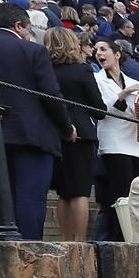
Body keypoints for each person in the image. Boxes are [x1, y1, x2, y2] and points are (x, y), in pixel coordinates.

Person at [0, 3, 72, 240]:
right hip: (32, 136)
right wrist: (66, 126)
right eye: (28, 29)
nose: (29, 34)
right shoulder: (32, 51)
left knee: (4, 199)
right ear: (18, 25)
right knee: (30, 199)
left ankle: (8, 250)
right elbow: (51, 95)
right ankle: (29, 255)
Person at [45, 27, 105, 242]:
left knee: (63, 192)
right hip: (81, 135)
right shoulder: (82, 70)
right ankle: (79, 241)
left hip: (54, 133)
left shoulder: (45, 70)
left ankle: (64, 238)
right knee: (79, 191)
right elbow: (98, 108)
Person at [91, 37, 139, 240]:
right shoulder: (96, 79)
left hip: (137, 145)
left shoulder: (134, 82)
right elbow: (101, 110)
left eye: (103, 49)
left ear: (117, 54)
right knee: (118, 199)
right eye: (96, 50)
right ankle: (116, 240)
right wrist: (124, 94)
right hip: (113, 145)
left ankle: (137, 238)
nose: (98, 53)